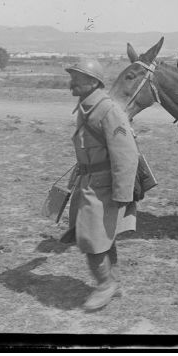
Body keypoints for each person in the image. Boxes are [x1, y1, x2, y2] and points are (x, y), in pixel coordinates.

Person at [63, 57, 139, 311]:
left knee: (91, 238)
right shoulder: (86, 107)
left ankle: (105, 284)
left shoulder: (108, 111)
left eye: (77, 78)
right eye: (72, 77)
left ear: (93, 82)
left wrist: (122, 194)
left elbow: (126, 155)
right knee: (102, 235)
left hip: (104, 186)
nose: (71, 83)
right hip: (89, 182)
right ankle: (112, 281)